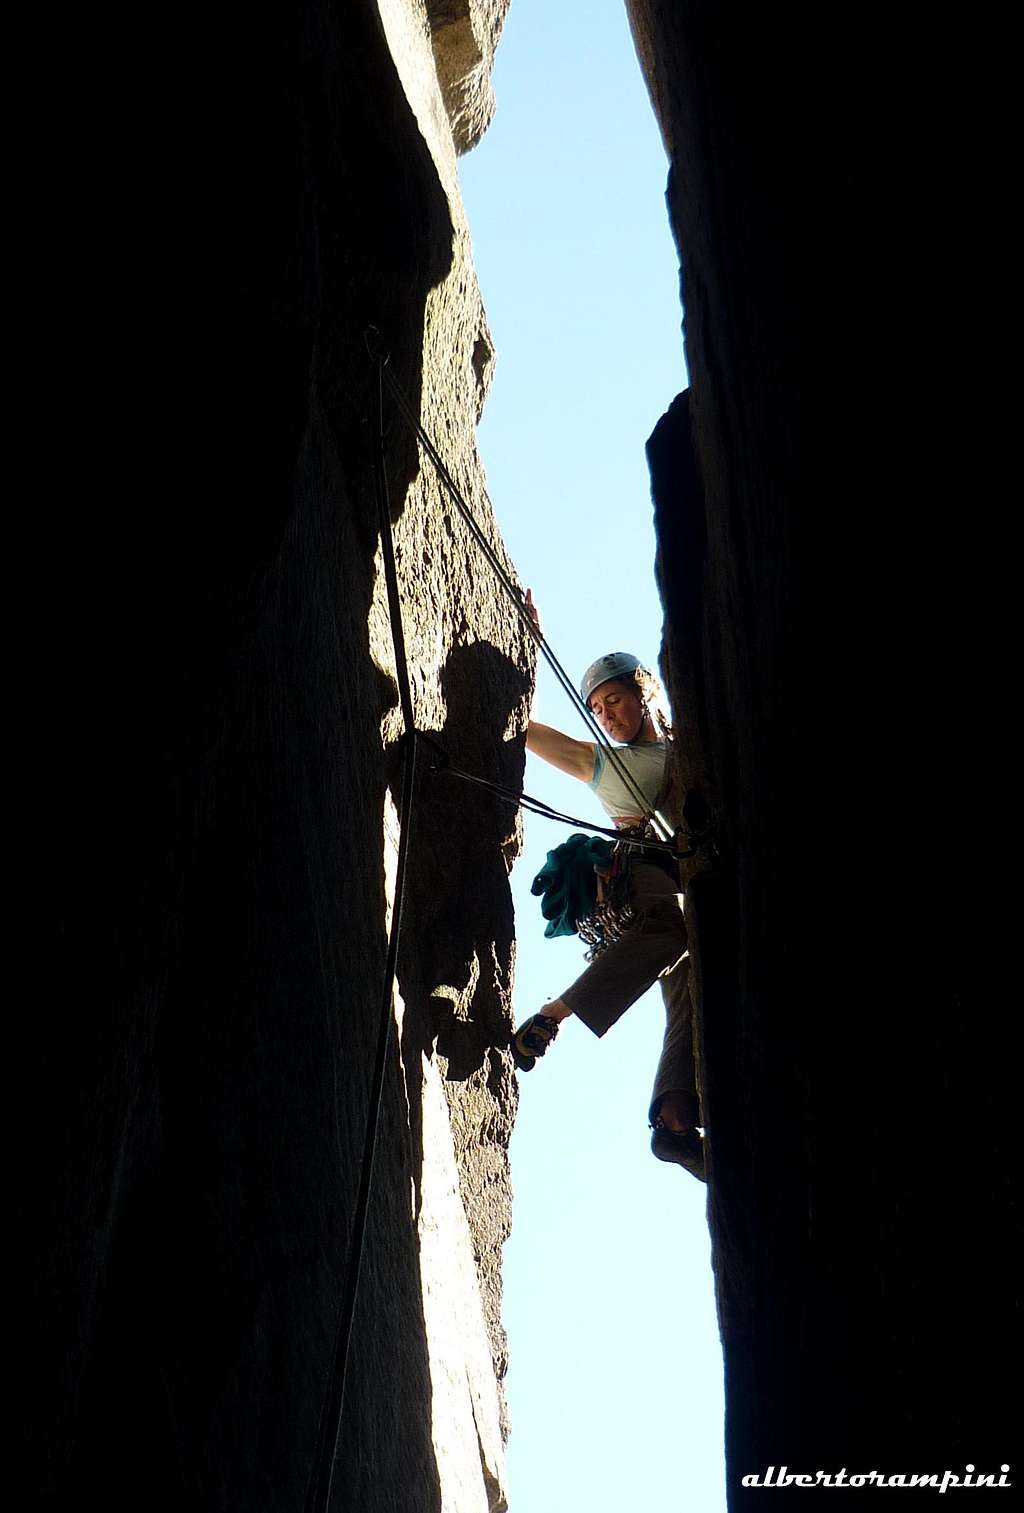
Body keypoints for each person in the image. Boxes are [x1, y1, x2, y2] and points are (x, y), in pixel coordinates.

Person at [511, 591, 706, 1182]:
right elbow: (528, 730)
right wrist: (527, 647)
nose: (608, 716)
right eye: (598, 709)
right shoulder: (600, 762)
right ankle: (554, 1013)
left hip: (682, 881)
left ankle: (673, 1118)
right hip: (639, 872)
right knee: (670, 929)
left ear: (644, 692)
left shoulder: (683, 749)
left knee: (692, 991)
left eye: (615, 701)